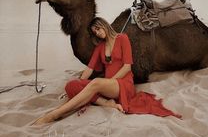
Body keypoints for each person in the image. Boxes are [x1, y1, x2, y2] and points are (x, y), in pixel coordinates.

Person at [33, 17, 181, 125]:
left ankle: (54, 114)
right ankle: (107, 104)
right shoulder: (100, 48)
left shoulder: (122, 38)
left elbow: (127, 66)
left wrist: (109, 81)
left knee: (96, 83)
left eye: (98, 28)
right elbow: (89, 69)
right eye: (94, 32)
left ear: (104, 25)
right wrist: (80, 82)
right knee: (71, 85)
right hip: (106, 87)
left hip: (122, 84)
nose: (97, 32)